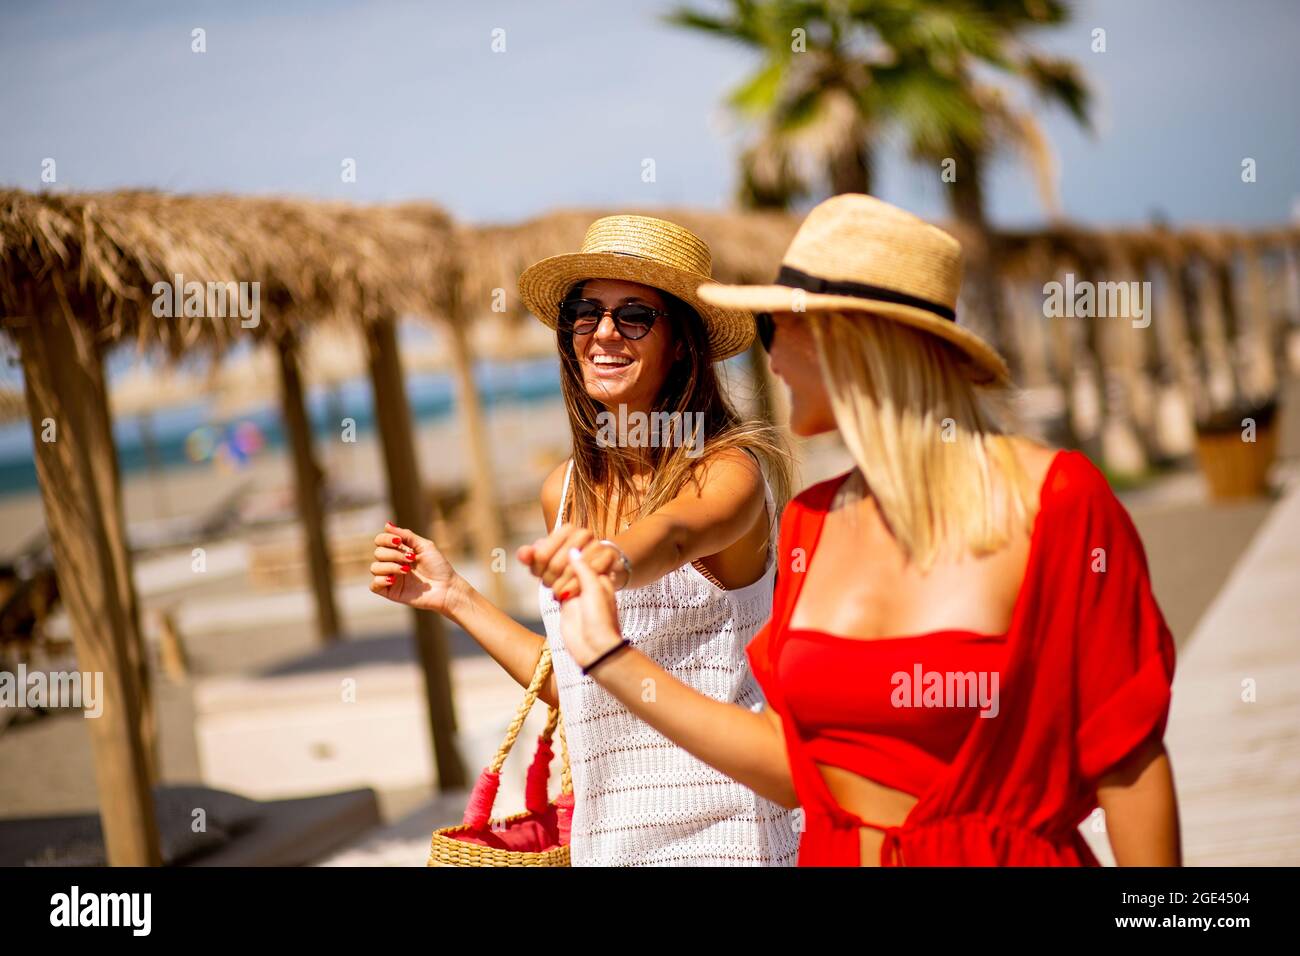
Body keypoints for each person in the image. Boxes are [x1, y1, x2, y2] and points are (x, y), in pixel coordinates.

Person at [548, 194, 1181, 866]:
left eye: (773, 326)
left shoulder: (1055, 500)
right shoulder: (813, 523)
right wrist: (610, 660)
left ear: (846, 337)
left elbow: (1129, 763)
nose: (768, 357)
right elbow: (792, 769)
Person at [370, 214, 801, 866]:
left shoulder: (728, 469)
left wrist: (615, 561)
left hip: (731, 834)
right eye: (585, 312)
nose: (603, 332)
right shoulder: (565, 492)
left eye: (633, 315)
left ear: (680, 342)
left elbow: (678, 533)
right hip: (611, 841)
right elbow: (580, 680)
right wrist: (454, 595)